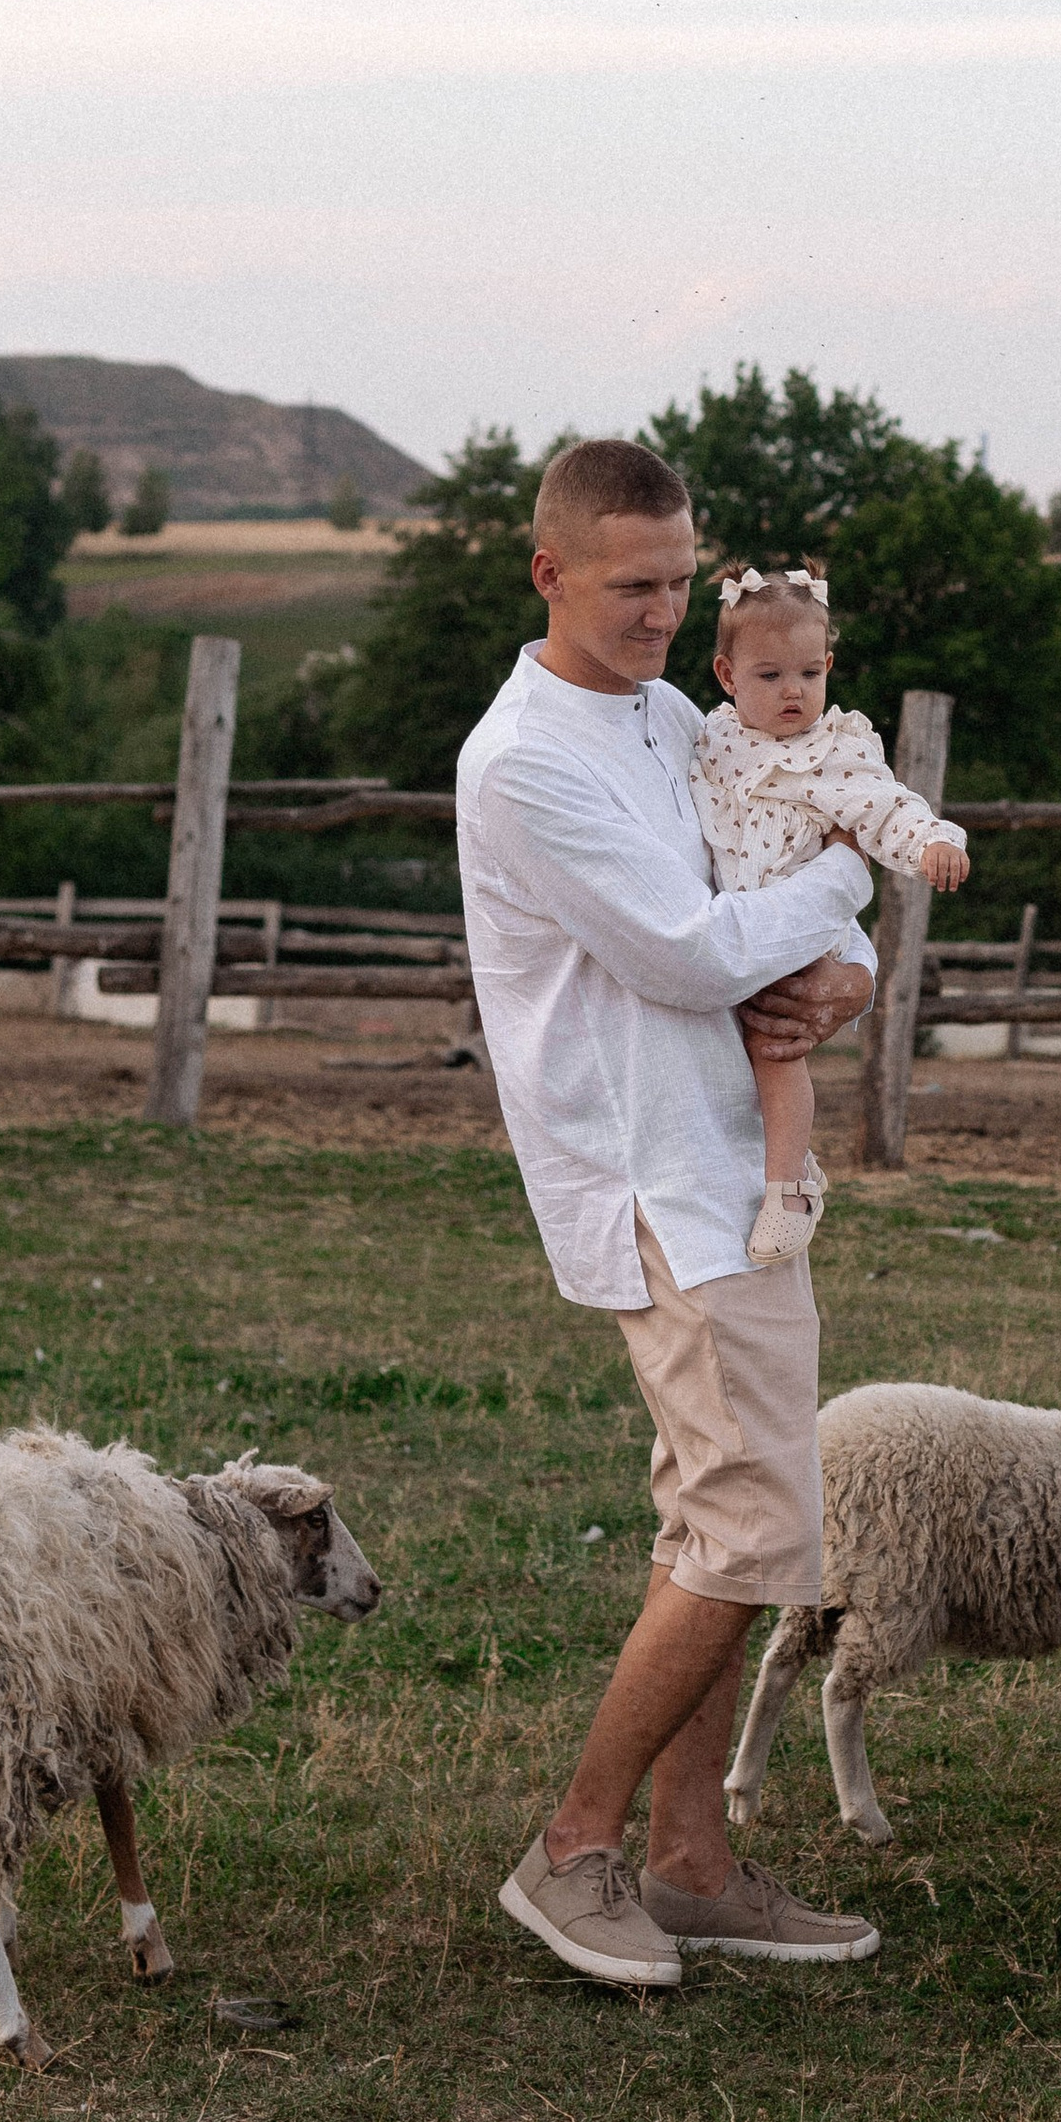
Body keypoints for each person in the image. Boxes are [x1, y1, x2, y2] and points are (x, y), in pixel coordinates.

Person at [455, 437, 884, 1994]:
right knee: (756, 1528)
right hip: (656, 1179)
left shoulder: (670, 716)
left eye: (681, 582)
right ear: (549, 573)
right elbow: (693, 954)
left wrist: (848, 974)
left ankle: (692, 1863)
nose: (660, 613)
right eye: (631, 585)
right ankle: (574, 1847)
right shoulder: (527, 763)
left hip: (737, 1165)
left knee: (727, 1525)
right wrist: (849, 890)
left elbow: (783, 860)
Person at [688, 561, 969, 1269]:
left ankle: (789, 1188)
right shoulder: (713, 738)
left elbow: (886, 807)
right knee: (725, 1046)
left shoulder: (833, 752)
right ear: (727, 675)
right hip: (730, 920)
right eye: (771, 675)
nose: (794, 691)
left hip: (798, 930)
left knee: (773, 1043)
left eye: (809, 674)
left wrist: (933, 842)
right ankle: (770, 1164)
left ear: (829, 670)